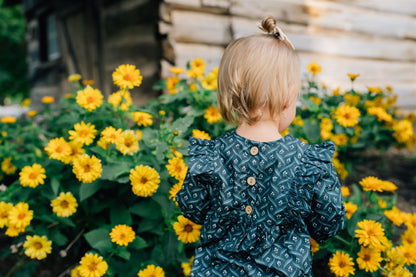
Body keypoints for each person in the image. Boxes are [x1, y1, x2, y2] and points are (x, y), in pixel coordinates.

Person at [176, 16, 346, 277]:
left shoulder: (213, 155)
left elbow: (192, 207)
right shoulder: (307, 162)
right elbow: (328, 223)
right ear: (289, 96)